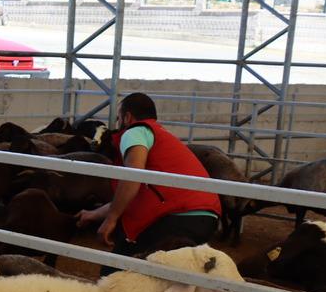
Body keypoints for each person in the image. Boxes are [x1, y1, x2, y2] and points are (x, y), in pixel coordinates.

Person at [76, 92, 220, 267]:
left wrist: (111, 219)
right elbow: (133, 194)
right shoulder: (160, 136)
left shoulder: (135, 132)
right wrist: (93, 215)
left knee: (118, 268)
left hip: (177, 217)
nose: (118, 124)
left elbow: (133, 176)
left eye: (118, 118)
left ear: (127, 117)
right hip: (204, 216)